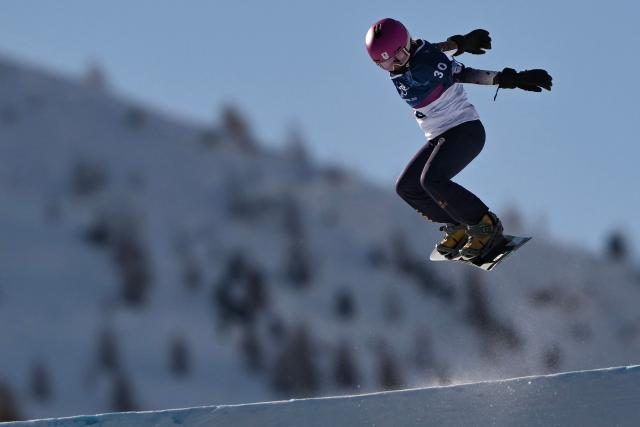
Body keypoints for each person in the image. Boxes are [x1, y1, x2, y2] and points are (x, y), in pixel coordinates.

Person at [365, 18, 552, 260]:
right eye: (385, 63)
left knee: (431, 180)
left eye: (399, 56)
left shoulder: (430, 62)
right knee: (407, 187)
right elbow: (435, 47)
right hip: (439, 137)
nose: (396, 65)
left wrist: (511, 79)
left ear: (407, 44)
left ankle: (484, 225)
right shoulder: (413, 54)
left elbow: (466, 74)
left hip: (464, 131)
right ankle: (459, 225)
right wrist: (461, 43)